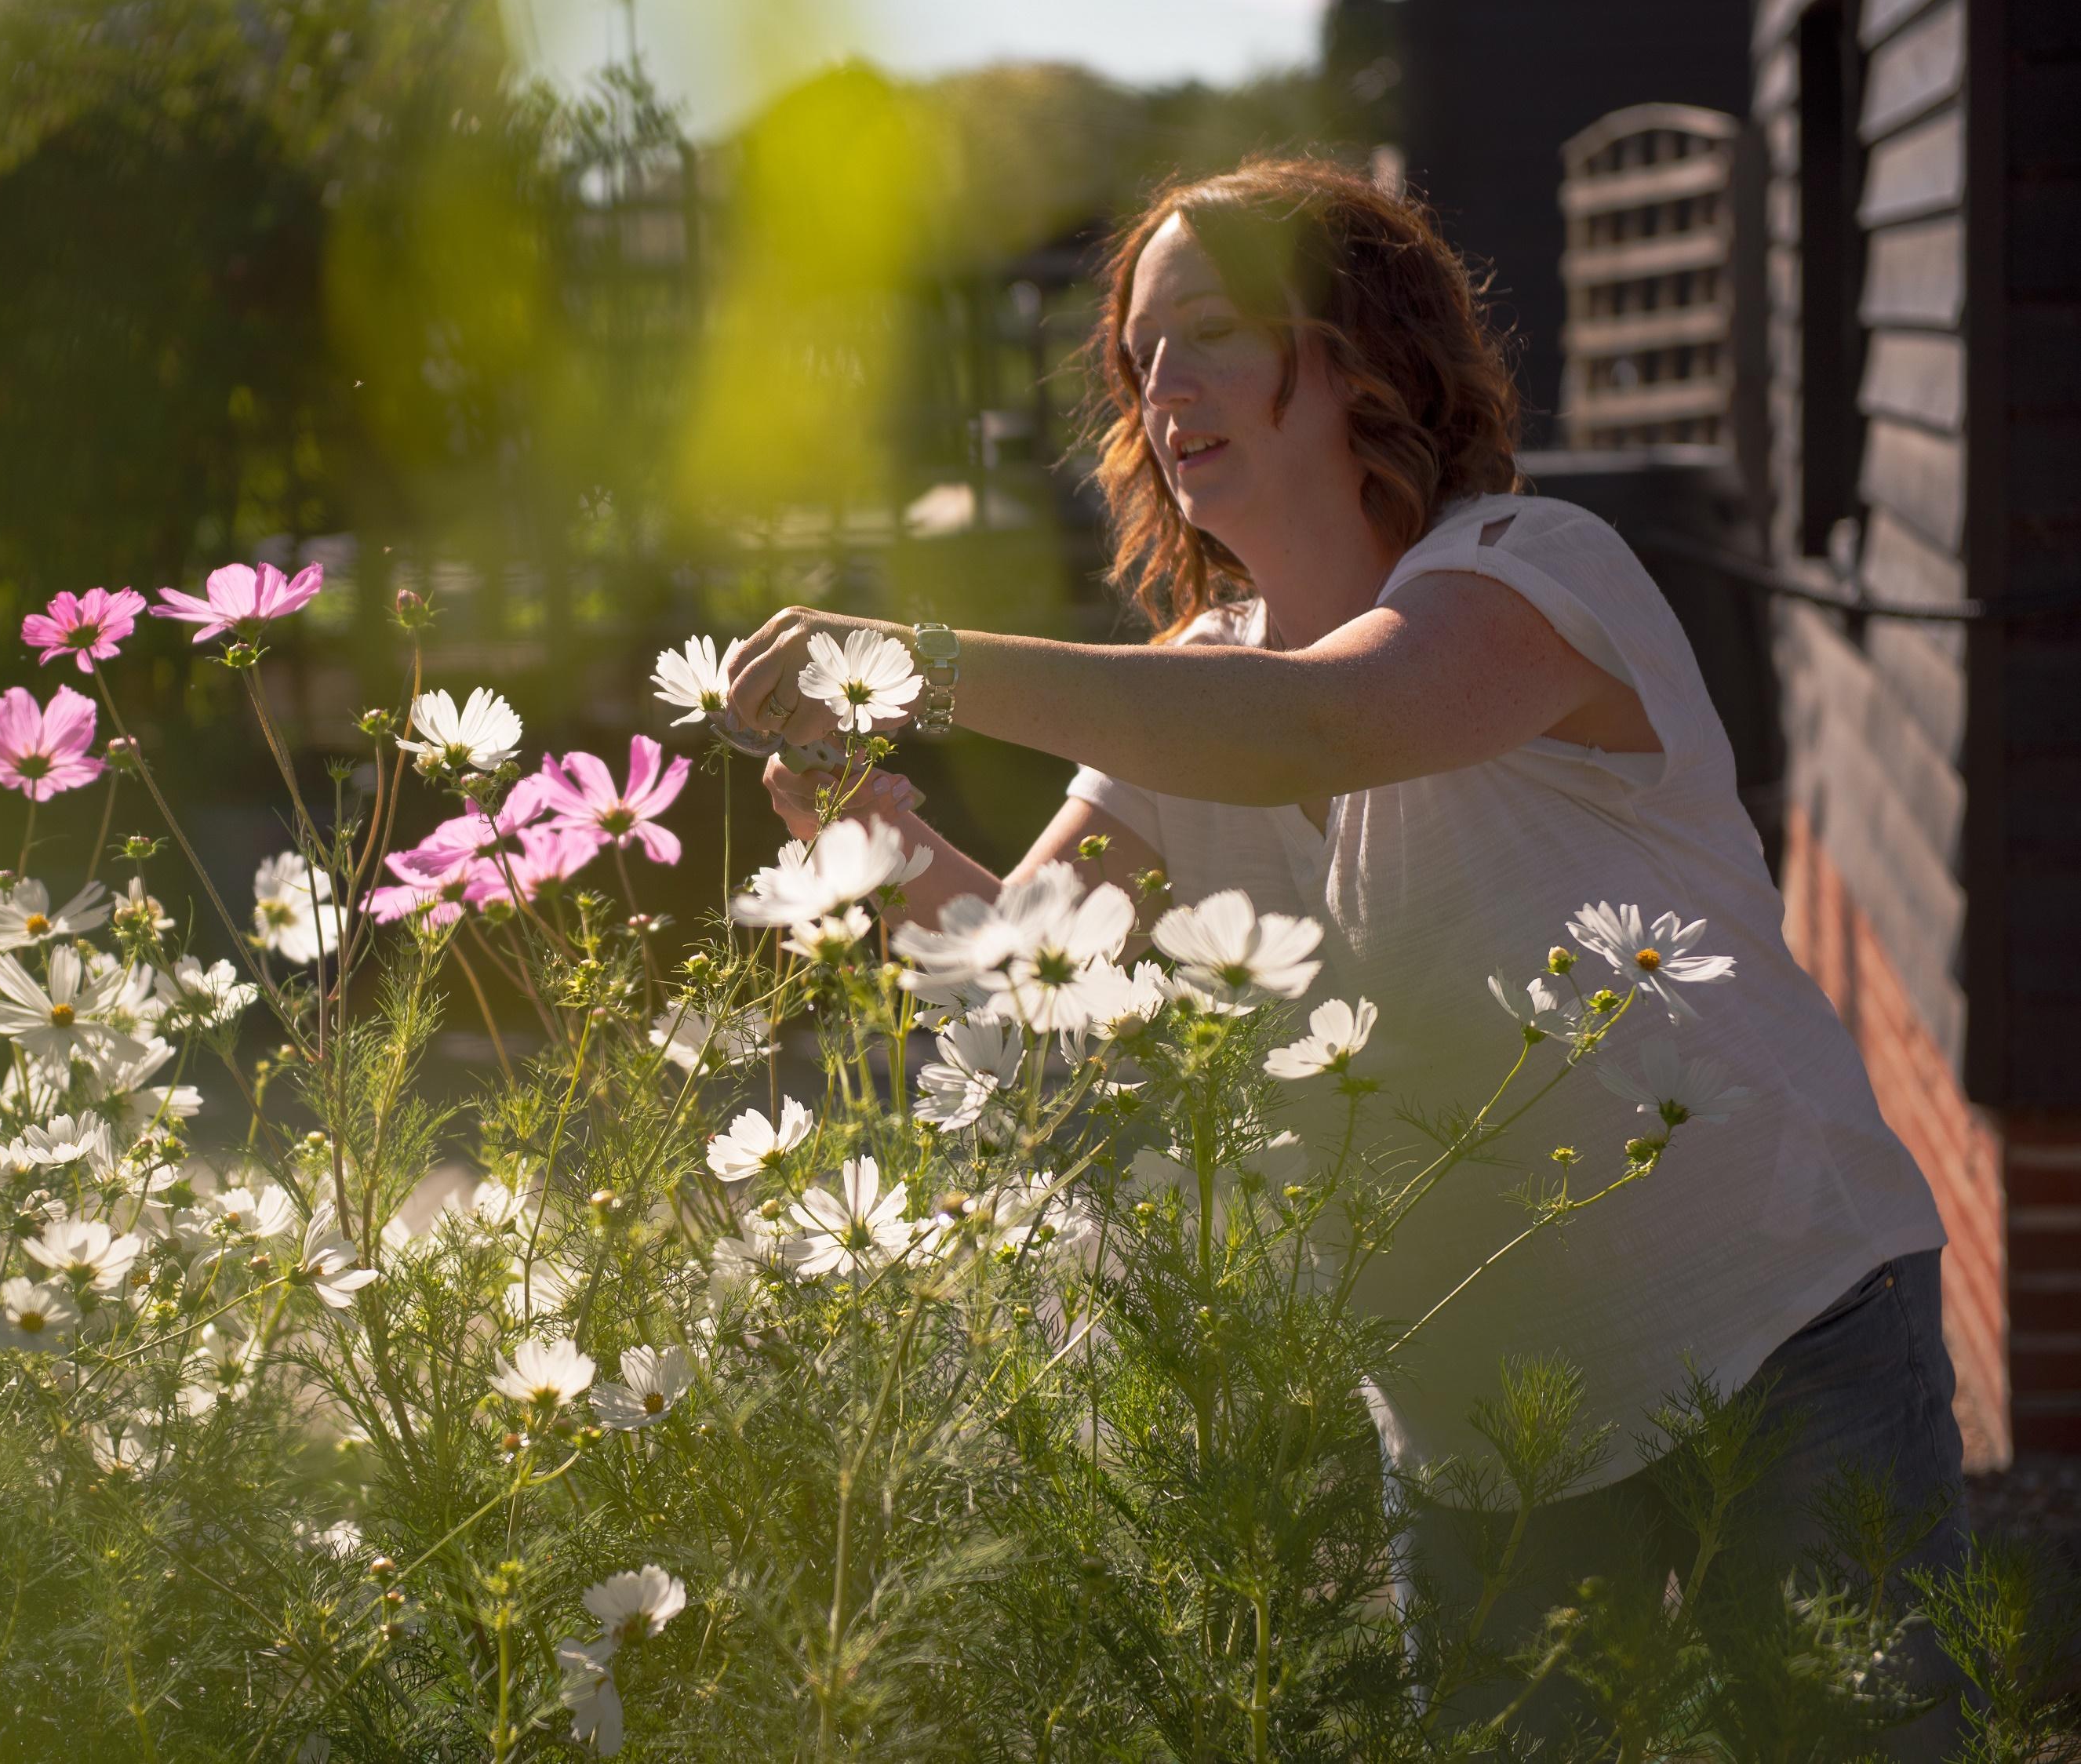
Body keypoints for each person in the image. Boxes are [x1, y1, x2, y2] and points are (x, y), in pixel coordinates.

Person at [722, 158, 1960, 1744]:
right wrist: (866, 837)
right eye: (1139, 353)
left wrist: (916, 662)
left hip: (1774, 1326)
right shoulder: (1192, 687)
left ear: (1364, 352)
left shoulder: (1534, 569)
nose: (1161, 384)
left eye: (1211, 330)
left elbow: (1328, 719)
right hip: (1475, 1423)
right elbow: (1023, 977)